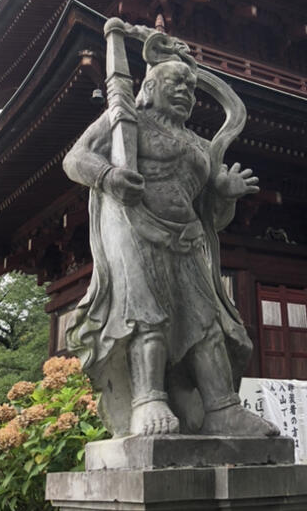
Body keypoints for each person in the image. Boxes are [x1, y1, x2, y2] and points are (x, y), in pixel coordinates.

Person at [64, 50, 279, 438]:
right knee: (147, 317)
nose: (184, 90)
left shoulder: (200, 146)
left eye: (191, 86)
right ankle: (148, 399)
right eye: (174, 82)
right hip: (135, 229)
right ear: (148, 87)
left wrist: (226, 194)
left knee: (207, 322)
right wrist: (109, 176)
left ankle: (222, 409)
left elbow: (212, 217)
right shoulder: (124, 120)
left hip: (188, 238)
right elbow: (75, 159)